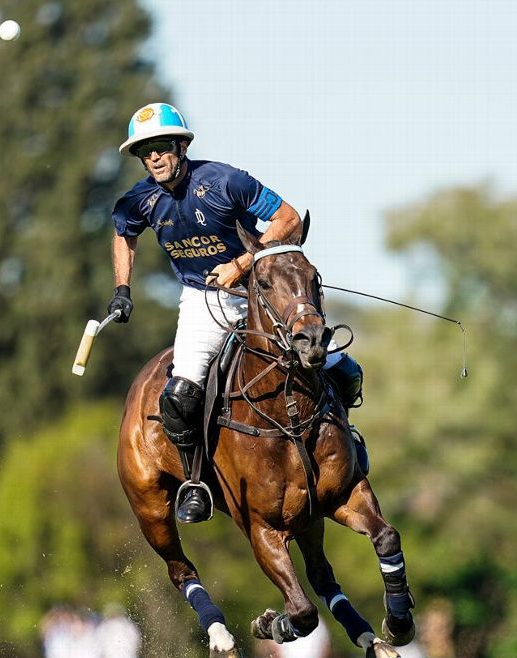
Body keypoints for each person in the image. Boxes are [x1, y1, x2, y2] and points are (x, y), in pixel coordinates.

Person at [109, 102, 368, 523]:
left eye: (160, 146)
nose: (153, 157)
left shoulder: (225, 181)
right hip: (202, 302)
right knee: (180, 396)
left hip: (262, 294)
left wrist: (242, 265)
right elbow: (124, 232)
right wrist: (122, 288)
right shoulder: (139, 200)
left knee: (344, 370)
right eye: (144, 151)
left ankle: (346, 445)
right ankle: (195, 482)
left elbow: (288, 219)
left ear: (180, 145)